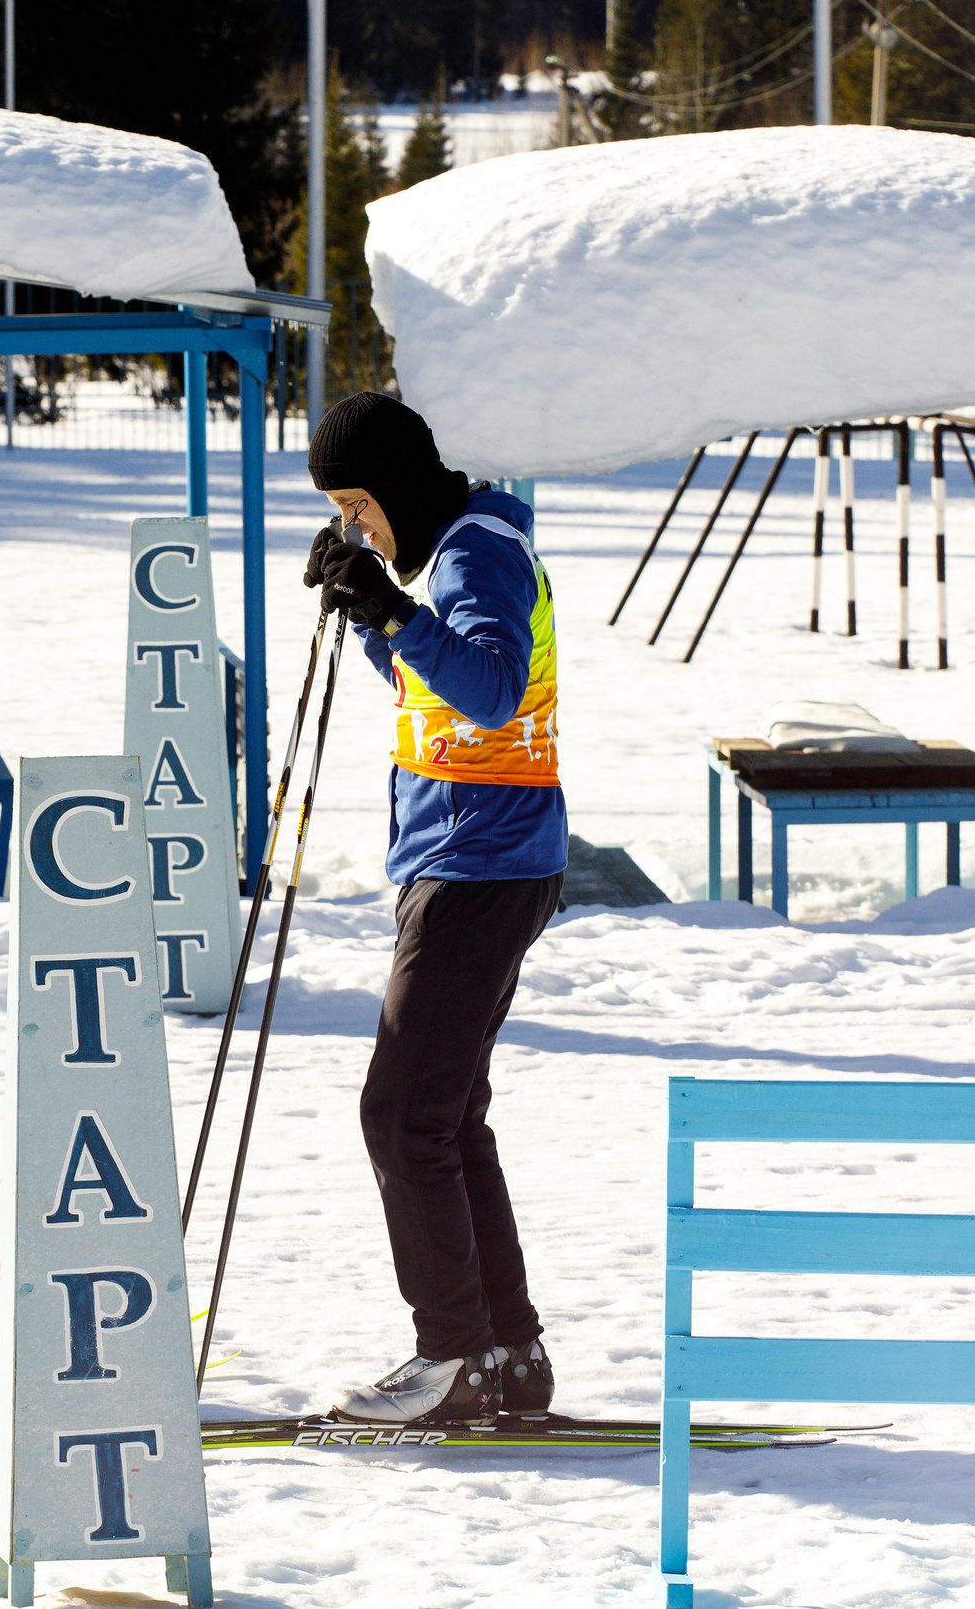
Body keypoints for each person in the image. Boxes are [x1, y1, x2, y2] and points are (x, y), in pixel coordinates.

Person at [302, 390, 567, 1425]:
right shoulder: (464, 549)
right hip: (471, 859)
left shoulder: (473, 553)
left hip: (479, 864)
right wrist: (373, 613)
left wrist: (396, 608)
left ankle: (452, 1354)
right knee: (447, 1119)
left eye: (358, 509)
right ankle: (505, 1347)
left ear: (398, 487)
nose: (356, 529)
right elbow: (437, 688)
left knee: (401, 1115)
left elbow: (493, 689)